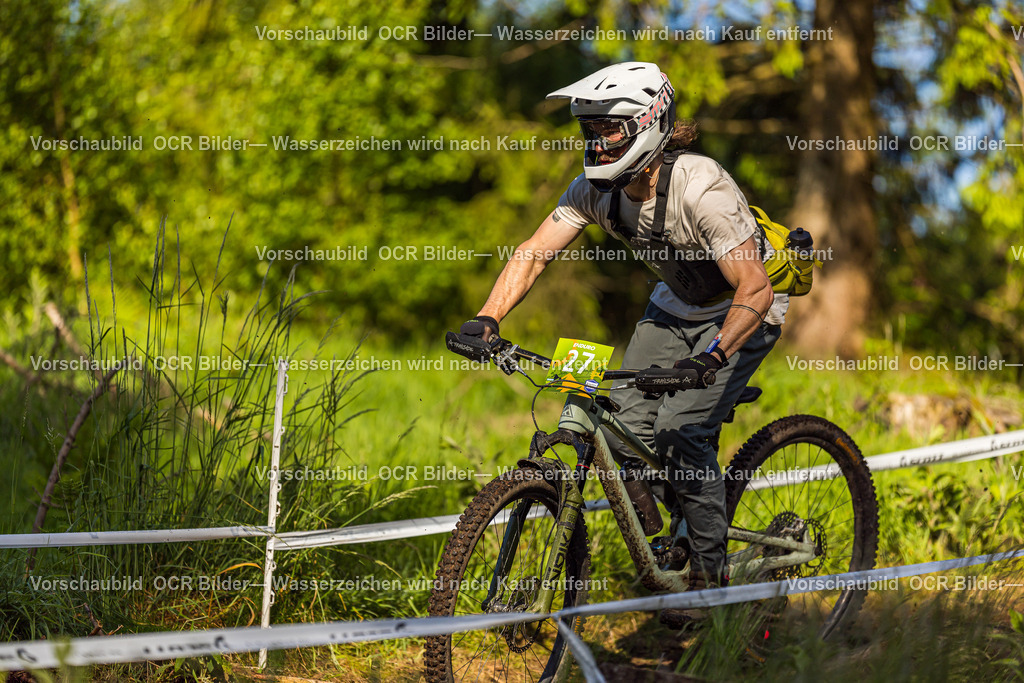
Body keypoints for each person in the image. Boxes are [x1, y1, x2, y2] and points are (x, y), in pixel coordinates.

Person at [457, 62, 786, 611]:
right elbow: (534, 252)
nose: (598, 142)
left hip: (743, 312)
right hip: (674, 305)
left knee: (682, 429)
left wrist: (713, 355)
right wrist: (488, 318)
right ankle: (666, 542)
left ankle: (709, 580)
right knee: (615, 428)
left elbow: (754, 286)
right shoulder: (594, 191)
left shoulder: (701, 187)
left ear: (649, 124)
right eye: (590, 131)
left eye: (609, 130)